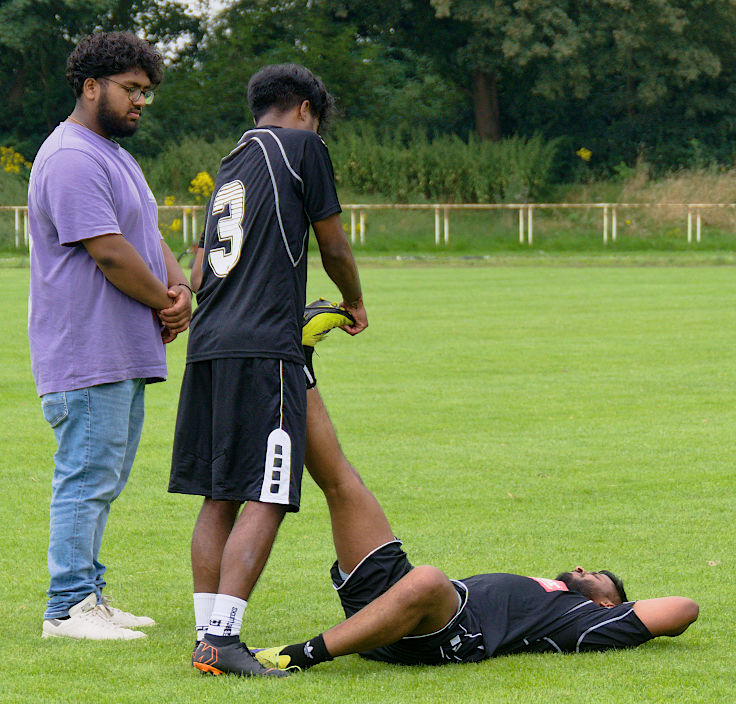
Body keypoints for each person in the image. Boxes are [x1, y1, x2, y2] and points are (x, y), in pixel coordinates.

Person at [239, 393, 700, 672]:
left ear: (606, 603)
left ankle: (298, 655)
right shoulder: (557, 593)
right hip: (401, 611)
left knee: (429, 579)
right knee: (344, 484)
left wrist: (620, 611)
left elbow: (684, 609)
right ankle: (299, 363)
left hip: (446, 633)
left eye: (600, 575)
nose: (584, 567)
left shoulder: (581, 620)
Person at [169, 63, 367, 677]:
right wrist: (354, 298)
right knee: (269, 491)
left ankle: (209, 635)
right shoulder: (302, 145)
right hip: (263, 346)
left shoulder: (233, 160)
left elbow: (203, 264)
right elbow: (331, 242)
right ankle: (222, 641)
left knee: (220, 491)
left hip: (211, 341)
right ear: (306, 107)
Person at [28, 31, 193, 641]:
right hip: (85, 351)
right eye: (130, 89)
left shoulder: (114, 155)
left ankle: (89, 594)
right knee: (86, 476)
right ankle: (67, 608)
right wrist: (165, 300)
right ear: (90, 85)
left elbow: (148, 241)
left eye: (145, 91)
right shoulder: (71, 155)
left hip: (120, 351)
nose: (140, 101)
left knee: (103, 478)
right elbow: (111, 254)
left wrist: (179, 298)